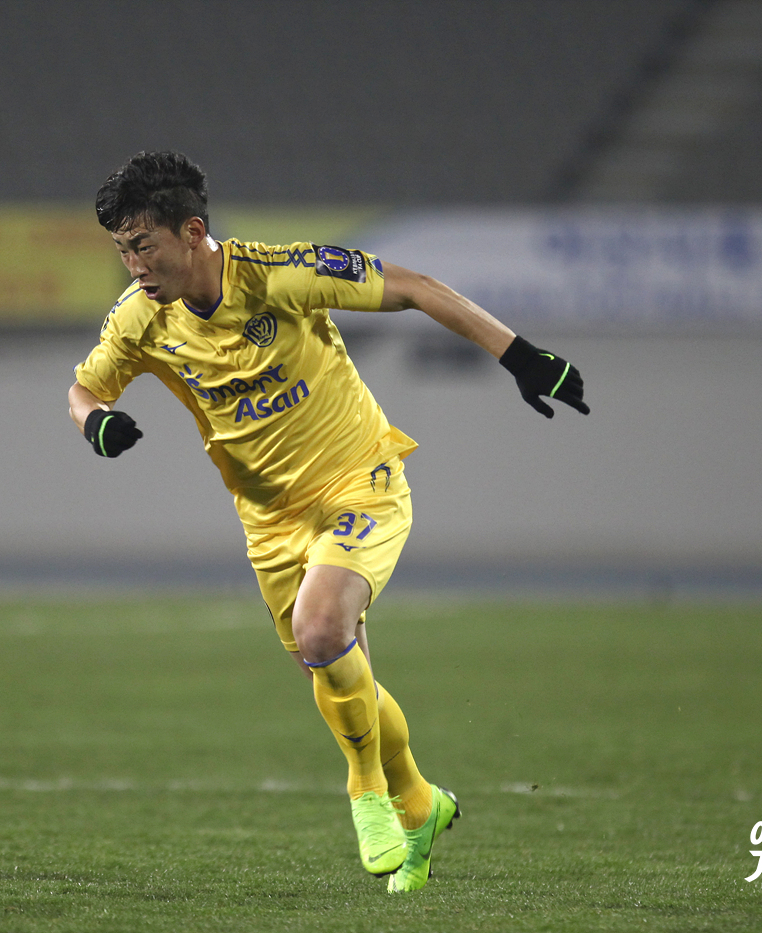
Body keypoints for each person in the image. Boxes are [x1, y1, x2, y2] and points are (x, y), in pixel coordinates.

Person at [68, 151, 588, 894]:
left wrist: (521, 356)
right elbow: (83, 390)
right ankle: (421, 804)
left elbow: (414, 287)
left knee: (320, 633)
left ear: (193, 232)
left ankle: (365, 792)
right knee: (341, 671)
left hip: (359, 484)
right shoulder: (141, 319)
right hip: (269, 523)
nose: (134, 265)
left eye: (143, 245)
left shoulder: (282, 273)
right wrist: (97, 424)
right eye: (122, 249)